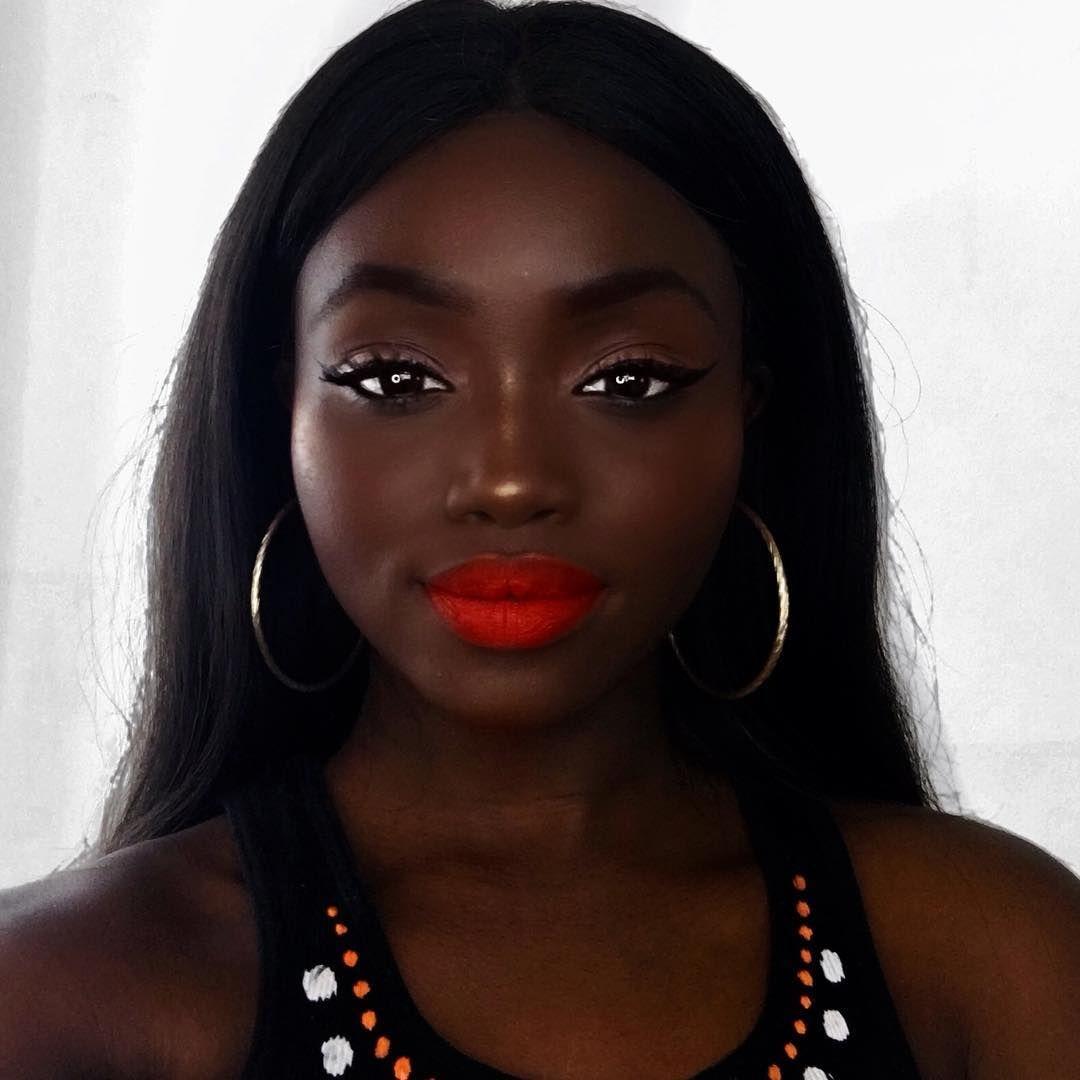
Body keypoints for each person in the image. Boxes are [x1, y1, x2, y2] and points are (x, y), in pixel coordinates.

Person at [3, 0, 1079, 1076]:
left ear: (749, 413)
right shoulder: (67, 996)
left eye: (628, 380)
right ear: (279, 412)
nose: (511, 480)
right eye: (395, 378)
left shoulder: (992, 960)